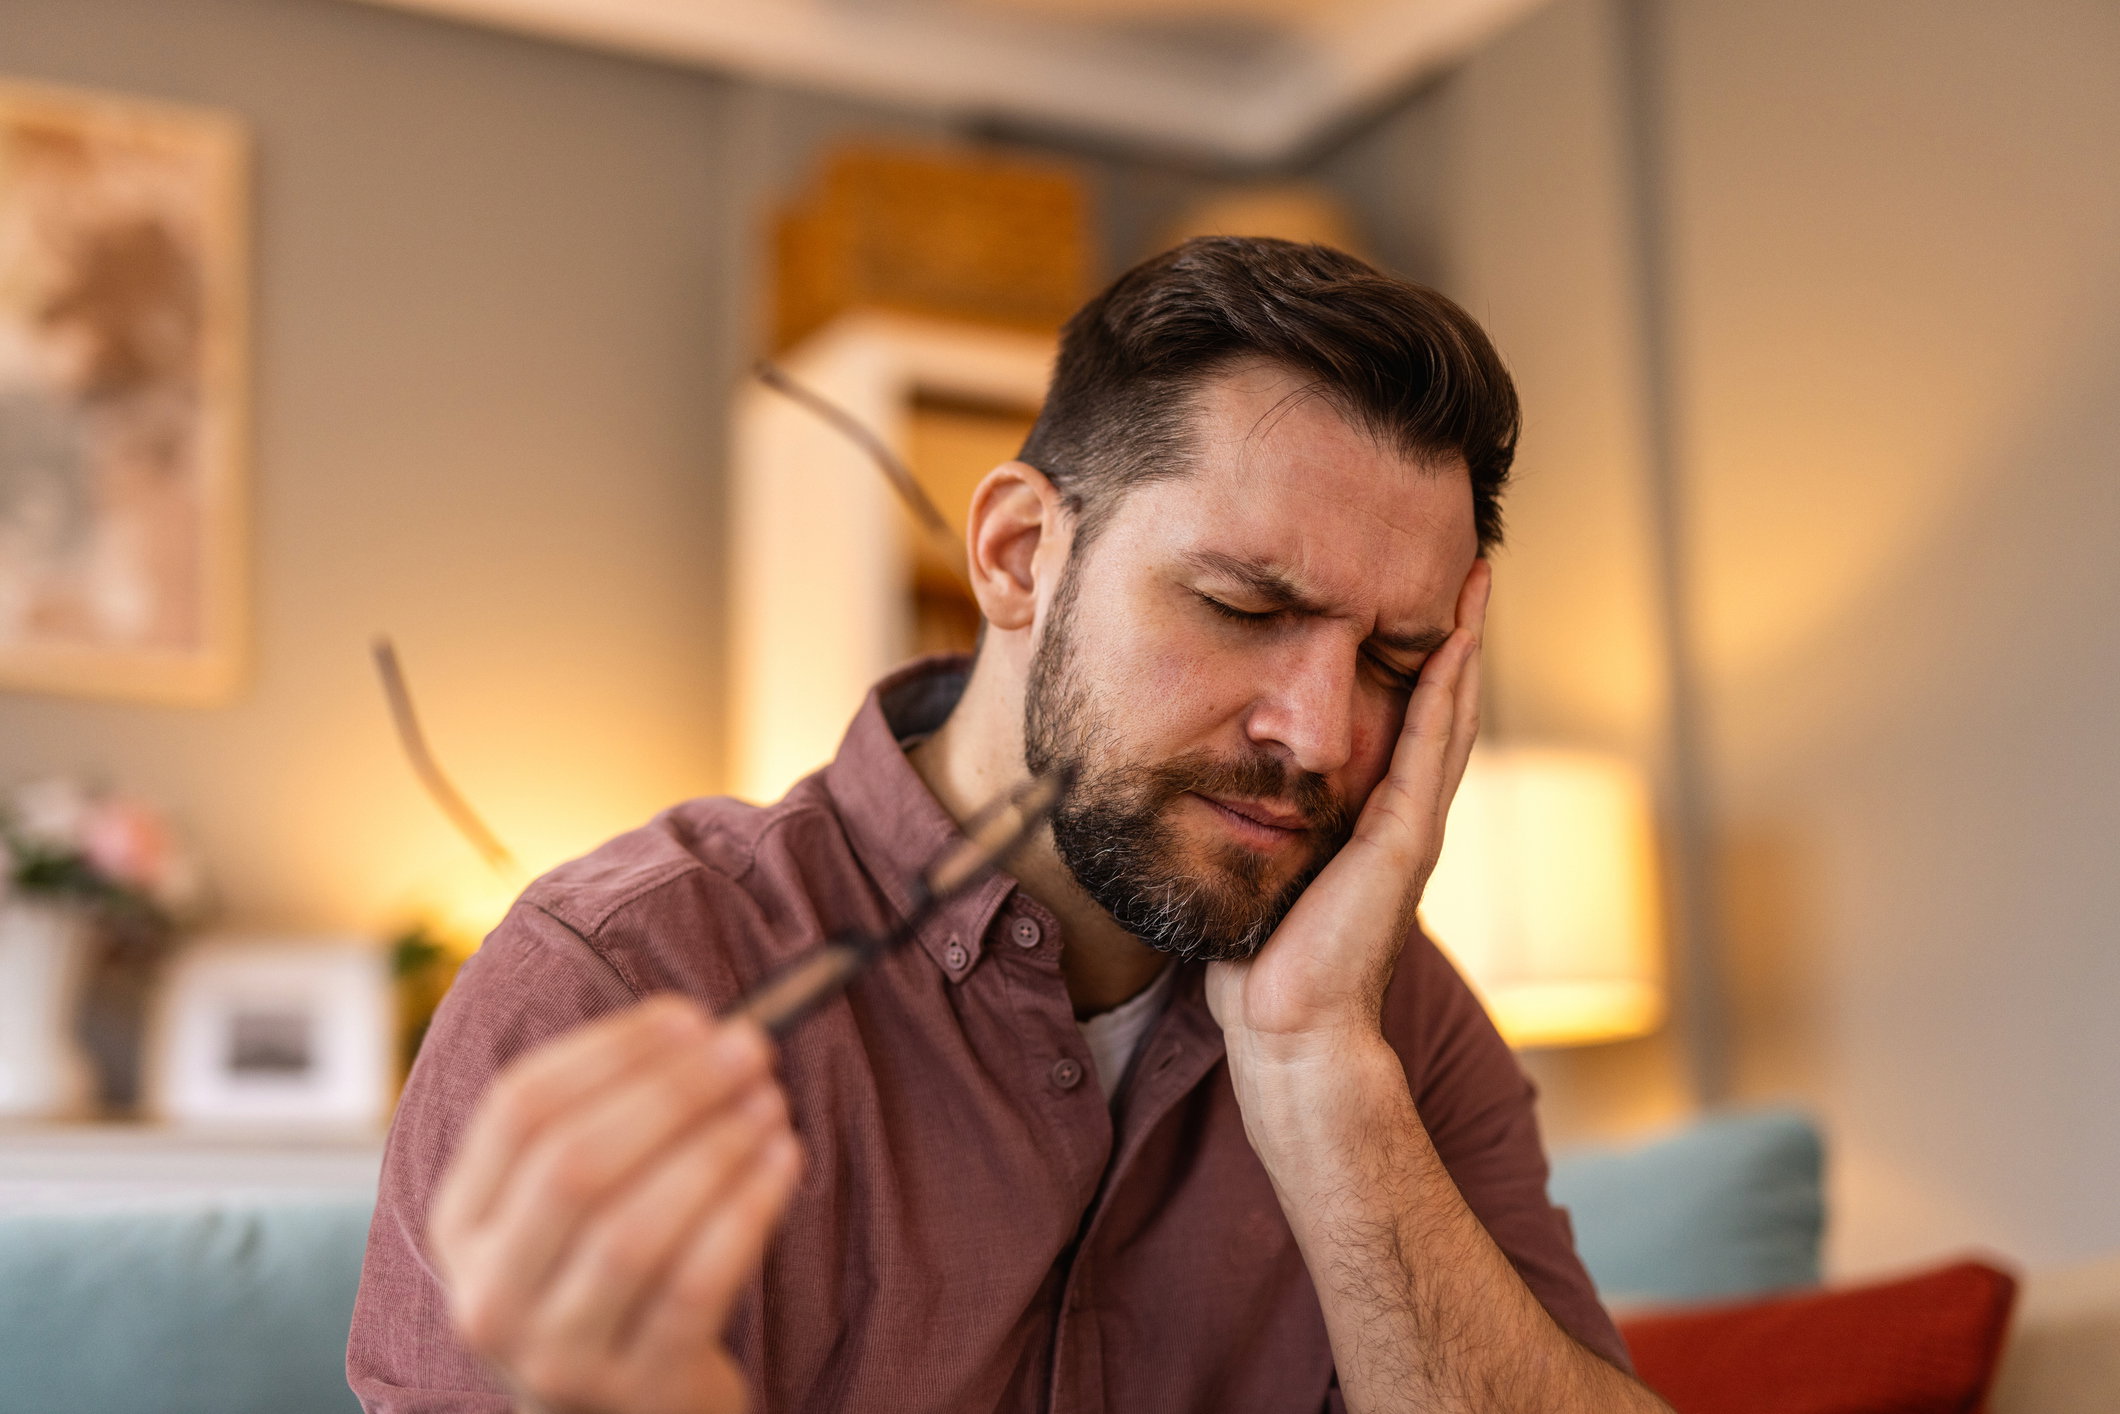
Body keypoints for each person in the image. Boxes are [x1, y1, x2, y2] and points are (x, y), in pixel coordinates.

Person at [348, 236, 1671, 1414]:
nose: (1320, 733)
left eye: (1394, 658)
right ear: (1020, 555)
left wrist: (1324, 1082)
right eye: (1246, 608)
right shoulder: (619, 981)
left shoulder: (1395, 1024)